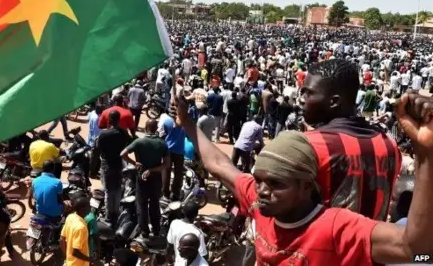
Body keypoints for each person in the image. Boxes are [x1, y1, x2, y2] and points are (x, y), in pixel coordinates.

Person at [175, 91, 433, 264]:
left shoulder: (336, 227)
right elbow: (217, 163)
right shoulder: (260, 201)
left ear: (307, 186)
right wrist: (186, 121)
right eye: (260, 179)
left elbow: (415, 249)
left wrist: (426, 153)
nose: (263, 190)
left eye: (277, 183)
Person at [301, 59, 401, 220]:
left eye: (309, 93)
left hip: (324, 243)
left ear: (333, 101)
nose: (302, 99)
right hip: (374, 242)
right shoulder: (389, 144)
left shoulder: (309, 145)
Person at [121, 119, 169, 238]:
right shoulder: (162, 143)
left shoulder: (139, 142)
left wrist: (135, 163)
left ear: (146, 128)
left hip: (141, 178)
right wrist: (152, 170)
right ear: (156, 128)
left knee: (141, 205)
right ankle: (157, 230)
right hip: (156, 179)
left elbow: (122, 154)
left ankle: (144, 232)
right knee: (154, 204)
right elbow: (166, 165)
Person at [97, 110, 132, 225]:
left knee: (108, 190)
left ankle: (108, 216)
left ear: (109, 120)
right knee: (117, 190)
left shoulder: (103, 134)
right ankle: (115, 215)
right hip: (118, 164)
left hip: (106, 164)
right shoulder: (123, 133)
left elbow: (98, 148)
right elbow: (127, 146)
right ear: (118, 120)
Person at [160, 108, 186, 201]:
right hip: (179, 151)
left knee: (166, 170)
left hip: (168, 150)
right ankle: (175, 193)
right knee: (178, 173)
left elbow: (162, 135)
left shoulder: (167, 121)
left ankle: (165, 193)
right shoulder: (184, 122)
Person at [60, 196, 94, 266]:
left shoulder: (70, 217)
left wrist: (67, 257)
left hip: (69, 262)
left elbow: (61, 240)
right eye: (89, 206)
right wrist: (90, 259)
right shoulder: (80, 228)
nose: (90, 208)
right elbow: (75, 252)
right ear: (82, 209)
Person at [87, 105, 103, 178]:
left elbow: (87, 117)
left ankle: (95, 171)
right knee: (94, 157)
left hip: (90, 137)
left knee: (95, 157)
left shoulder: (92, 113)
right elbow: (97, 133)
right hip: (95, 140)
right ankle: (91, 173)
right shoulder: (97, 118)